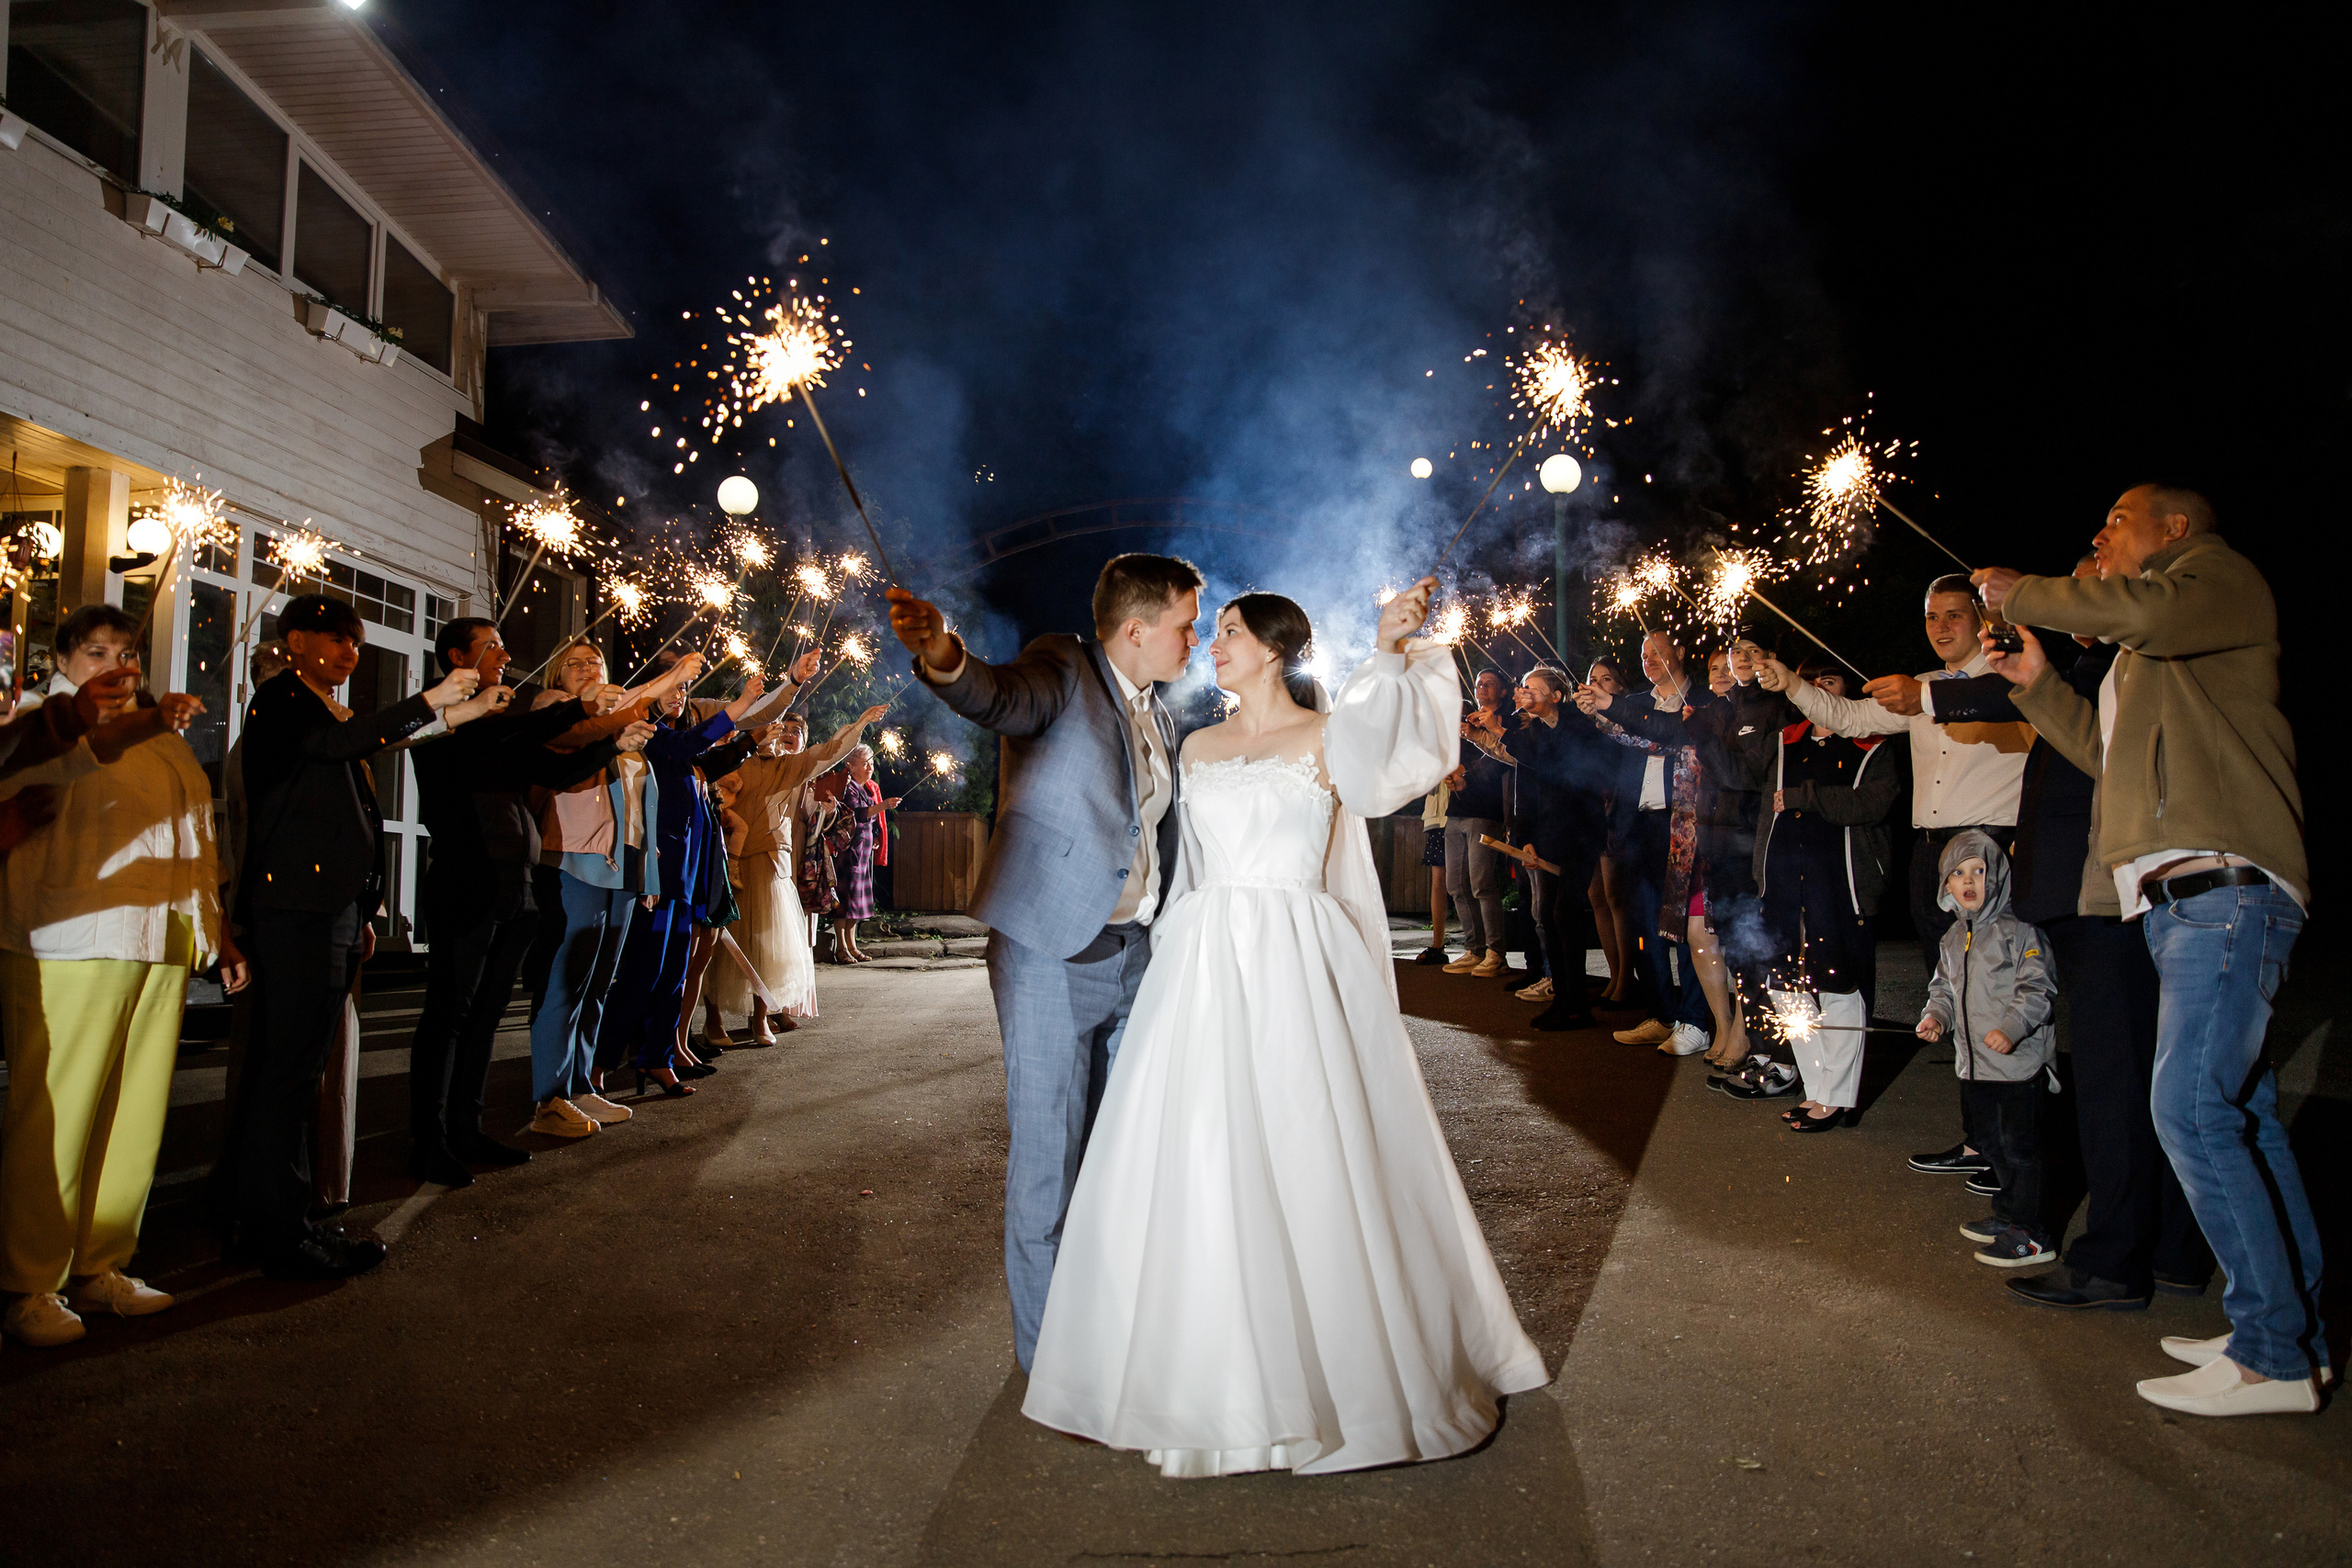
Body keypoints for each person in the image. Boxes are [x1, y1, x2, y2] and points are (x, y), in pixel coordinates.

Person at [1020, 580, 1544, 1476]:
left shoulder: (1331, 737)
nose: (1212, 644)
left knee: (1309, 1140)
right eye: (1211, 630)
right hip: (1202, 963)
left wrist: (1389, 648)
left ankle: (1343, 1370)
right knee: (1204, 1149)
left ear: (1272, 647)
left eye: (1227, 631)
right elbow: (1180, 862)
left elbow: (1390, 762)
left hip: (1298, 957)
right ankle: (1208, 1375)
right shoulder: (1196, 745)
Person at [1978, 483, 2324, 1416]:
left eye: (2117, 521)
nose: (2099, 534)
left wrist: (2022, 592)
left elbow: (2140, 609)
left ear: (2174, 528)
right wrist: (2036, 684)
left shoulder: (2216, 578)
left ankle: (2271, 1356)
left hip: (2225, 887)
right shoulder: (2148, 658)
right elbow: (2110, 760)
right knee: (2242, 1115)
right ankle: (2292, 1334)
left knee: (2190, 1111)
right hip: (2183, 902)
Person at [885, 552, 1197, 1373]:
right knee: (1048, 1159)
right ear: (1137, 628)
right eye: (1186, 625)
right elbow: (996, 695)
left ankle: (1106, 1326)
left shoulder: (1160, 716)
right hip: (1052, 948)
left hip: (1137, 955)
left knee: (1119, 1152)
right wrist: (943, 652)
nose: (1194, 640)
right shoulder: (1063, 666)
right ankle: (1052, 1363)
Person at [1924, 557, 2208, 1312]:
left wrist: (1934, 691)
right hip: (2083, 900)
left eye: (2095, 578)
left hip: (2110, 901)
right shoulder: (2092, 670)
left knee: (2121, 1085)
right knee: (2131, 1080)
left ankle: (2121, 1256)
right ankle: (2166, 1248)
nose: (2084, 588)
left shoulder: (2132, 663)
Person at [224, 594, 497, 1280]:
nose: (350, 652)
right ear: (295, 641)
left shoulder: (323, 708)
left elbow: (373, 742)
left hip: (328, 909)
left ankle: (269, 1215)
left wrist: (456, 714)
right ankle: (279, 1227)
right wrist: (430, 699)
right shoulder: (283, 701)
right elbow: (344, 743)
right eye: (336, 639)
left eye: (355, 642)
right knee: (288, 1070)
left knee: (297, 1067)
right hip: (298, 910)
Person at [0, 608, 228, 1347]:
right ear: (63, 659)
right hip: (70, 934)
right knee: (57, 1114)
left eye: (125, 651)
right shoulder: (41, 723)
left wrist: (215, 928)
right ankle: (30, 1278)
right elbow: (81, 754)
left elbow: (194, 833)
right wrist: (146, 719)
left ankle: (101, 1262)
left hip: (157, 937)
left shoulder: (163, 739)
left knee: (133, 1112)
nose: (114, 664)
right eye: (96, 650)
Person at [1755, 576, 2032, 1182]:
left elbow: (1998, 702)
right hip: (1932, 853)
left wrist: (1923, 696)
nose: (1941, 627)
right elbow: (1849, 714)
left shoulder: (2011, 675)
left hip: (1988, 846)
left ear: (1983, 618)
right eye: (1932, 616)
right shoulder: (1922, 686)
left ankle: (2012, 1150)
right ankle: (1980, 1139)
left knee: (1997, 999)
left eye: (1954, 615)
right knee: (1955, 993)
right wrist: (1792, 683)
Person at [407, 617, 652, 1185]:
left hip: (510, 888)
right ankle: (429, 1140)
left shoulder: (496, 724)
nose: (504, 653)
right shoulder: (445, 721)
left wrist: (612, 743)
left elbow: (556, 769)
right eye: (491, 646)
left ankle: (466, 1127)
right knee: (449, 1015)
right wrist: (581, 708)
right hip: (466, 886)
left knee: (486, 1016)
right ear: (456, 657)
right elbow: (522, 733)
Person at [524, 642, 707, 1135]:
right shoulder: (554, 710)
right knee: (567, 981)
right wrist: (668, 680)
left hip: (622, 865)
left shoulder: (618, 721)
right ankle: (549, 1099)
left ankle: (581, 1085)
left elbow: (637, 806)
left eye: (595, 662)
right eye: (575, 663)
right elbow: (581, 736)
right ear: (556, 675)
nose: (588, 668)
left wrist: (646, 872)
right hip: (576, 857)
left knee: (600, 982)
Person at [1580, 642, 1773, 1060]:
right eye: (1644, 654)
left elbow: (1679, 739)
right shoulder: (1655, 708)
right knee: (1662, 928)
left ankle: (1707, 1024)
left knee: (1715, 934)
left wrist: (1610, 708)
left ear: (1680, 653)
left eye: (1728, 667)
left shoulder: (1716, 709)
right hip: (1662, 829)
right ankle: (1676, 1016)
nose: (1648, 660)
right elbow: (1639, 739)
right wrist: (1601, 713)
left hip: (1713, 832)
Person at [1736, 660, 1900, 1126]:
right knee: (1784, 985)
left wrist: (1807, 797)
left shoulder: (1871, 742)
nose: (1817, 690)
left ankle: (1839, 1097)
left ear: (1847, 689)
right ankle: (1817, 1087)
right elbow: (1766, 812)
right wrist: (1761, 876)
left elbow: (1874, 803)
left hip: (1840, 882)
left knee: (1839, 984)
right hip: (1784, 881)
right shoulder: (1785, 741)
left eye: (1828, 681)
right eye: (1809, 683)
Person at [597, 671, 766, 1096]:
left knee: (674, 971)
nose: (679, 695)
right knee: (642, 972)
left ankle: (658, 1057)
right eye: (673, 687)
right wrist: (742, 703)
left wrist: (751, 738)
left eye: (684, 689)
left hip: (685, 877)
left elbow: (709, 760)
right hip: (655, 875)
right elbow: (688, 744)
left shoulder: (681, 746)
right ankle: (598, 1065)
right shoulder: (649, 736)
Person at [1916, 831, 2058, 1267]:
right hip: (1975, 1067)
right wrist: (1935, 1018)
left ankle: (2033, 1234)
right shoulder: (1951, 938)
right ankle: (2009, 1215)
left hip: (2017, 1068)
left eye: (1979, 871)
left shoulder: (2020, 930)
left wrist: (2012, 1029)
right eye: (1958, 873)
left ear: (1997, 876)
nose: (1968, 881)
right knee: (1993, 1147)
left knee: (2021, 1150)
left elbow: (2038, 987)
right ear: (1946, 884)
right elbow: (1943, 989)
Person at [707, 708, 885, 1037]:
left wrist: (860, 724)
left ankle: (761, 1016)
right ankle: (712, 1020)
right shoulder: (733, 758)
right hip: (730, 857)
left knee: (767, 944)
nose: (780, 733)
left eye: (789, 729)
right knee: (719, 942)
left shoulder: (788, 767)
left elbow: (826, 753)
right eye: (773, 726)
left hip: (772, 860)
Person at [1491, 666, 1616, 1031]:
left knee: (1565, 912)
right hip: (1547, 836)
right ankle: (1563, 998)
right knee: (1547, 914)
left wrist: (1500, 731)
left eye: (1533, 688)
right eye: (1524, 687)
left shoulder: (1577, 726)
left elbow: (1557, 760)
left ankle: (1577, 1002)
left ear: (1556, 696)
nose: (1525, 692)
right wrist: (1525, 838)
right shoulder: (1533, 733)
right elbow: (1526, 787)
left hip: (1580, 834)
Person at [1442, 670, 1512, 977]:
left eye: (1490, 684)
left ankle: (1496, 952)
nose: (1482, 687)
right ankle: (1475, 948)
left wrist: (1466, 774)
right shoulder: (1466, 722)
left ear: (1503, 691)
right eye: (1479, 683)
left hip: (1486, 809)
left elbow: (1498, 760)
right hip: (1457, 809)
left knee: (1481, 882)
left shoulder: (1505, 722)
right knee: (1456, 884)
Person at [1582, 657, 1638, 1004]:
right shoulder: (1584, 722)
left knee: (1616, 896)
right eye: (1593, 679)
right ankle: (1614, 973)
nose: (1597, 685)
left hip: (1617, 810)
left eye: (1606, 679)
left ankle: (1627, 978)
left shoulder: (1627, 718)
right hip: (1590, 812)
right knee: (1596, 895)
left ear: (1620, 686)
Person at [827, 743, 899, 963]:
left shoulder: (865, 789)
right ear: (850, 765)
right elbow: (857, 814)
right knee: (844, 902)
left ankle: (852, 946)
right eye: (865, 763)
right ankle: (841, 948)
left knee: (856, 904)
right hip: (848, 854)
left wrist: (875, 836)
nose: (870, 767)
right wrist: (883, 805)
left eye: (871, 763)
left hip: (862, 853)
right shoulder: (848, 787)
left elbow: (870, 820)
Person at [1411, 766, 1459, 966]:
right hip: (1435, 814)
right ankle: (1438, 945)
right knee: (1438, 881)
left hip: (1459, 812)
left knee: (1464, 881)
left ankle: (1478, 948)